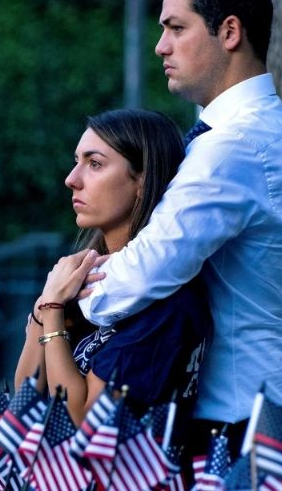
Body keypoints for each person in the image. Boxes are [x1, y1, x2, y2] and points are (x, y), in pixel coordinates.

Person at [56, 0, 282, 459]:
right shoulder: (246, 131)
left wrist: (63, 292)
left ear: (230, 31)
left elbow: (140, 277)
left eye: (176, 28)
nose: (161, 46)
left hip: (238, 426)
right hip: (248, 416)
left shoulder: (235, 144)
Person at [14, 109, 211, 437]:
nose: (72, 179)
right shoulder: (82, 279)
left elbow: (81, 423)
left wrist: (51, 311)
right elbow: (25, 397)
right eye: (76, 161)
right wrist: (45, 306)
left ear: (143, 181)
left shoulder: (163, 299)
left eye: (94, 164)